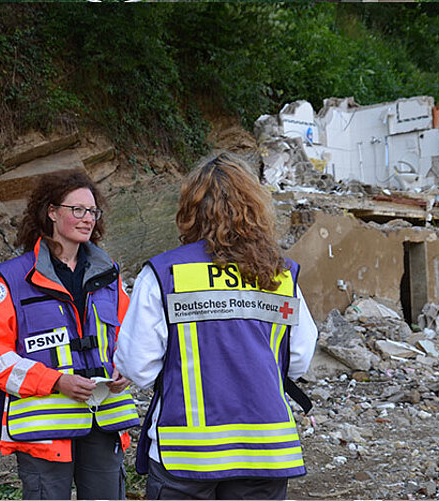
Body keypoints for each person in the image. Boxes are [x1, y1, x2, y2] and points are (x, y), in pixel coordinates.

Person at [115, 151, 318, 500]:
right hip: (266, 450)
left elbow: (137, 364)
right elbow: (297, 360)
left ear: (189, 210)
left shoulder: (166, 273)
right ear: (256, 208)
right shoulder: (280, 274)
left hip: (186, 452)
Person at [0, 170, 140, 500]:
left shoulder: (108, 273)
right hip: (44, 430)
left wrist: (127, 367)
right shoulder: (13, 278)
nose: (87, 219)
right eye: (77, 209)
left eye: (92, 211)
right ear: (52, 211)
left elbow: (129, 334)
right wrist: (54, 381)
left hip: (104, 419)